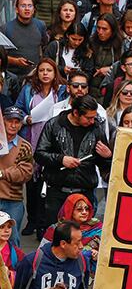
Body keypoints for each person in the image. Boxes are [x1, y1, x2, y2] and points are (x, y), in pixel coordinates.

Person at [34, 95, 111, 228]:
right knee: (54, 235)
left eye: (94, 117)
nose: (92, 121)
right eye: (88, 118)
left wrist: (108, 155)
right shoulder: (54, 125)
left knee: (82, 236)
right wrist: (61, 159)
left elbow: (104, 165)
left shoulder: (96, 129)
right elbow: (39, 154)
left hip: (84, 191)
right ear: (75, 113)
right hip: (57, 191)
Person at [14, 221, 88, 289]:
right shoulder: (32, 261)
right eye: (77, 242)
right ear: (63, 244)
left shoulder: (82, 262)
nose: (81, 246)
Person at [0, 107, 33, 247]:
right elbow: (17, 171)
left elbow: (24, 173)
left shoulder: (25, 146)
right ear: (3, 121)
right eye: (9, 121)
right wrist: (11, 170)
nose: (13, 125)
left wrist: (2, 173)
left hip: (12, 200)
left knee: (12, 240)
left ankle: (14, 268)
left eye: (17, 122)